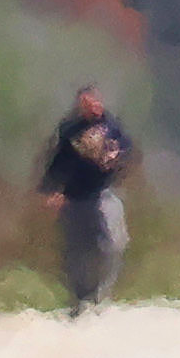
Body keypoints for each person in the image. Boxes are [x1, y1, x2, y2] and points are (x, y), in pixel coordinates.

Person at [35, 86, 139, 316]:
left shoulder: (111, 126)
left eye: (94, 102)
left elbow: (126, 150)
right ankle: (80, 302)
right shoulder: (70, 130)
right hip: (74, 198)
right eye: (86, 104)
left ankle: (102, 296)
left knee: (114, 243)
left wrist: (117, 157)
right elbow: (58, 163)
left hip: (103, 193)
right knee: (77, 251)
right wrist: (51, 190)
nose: (92, 107)